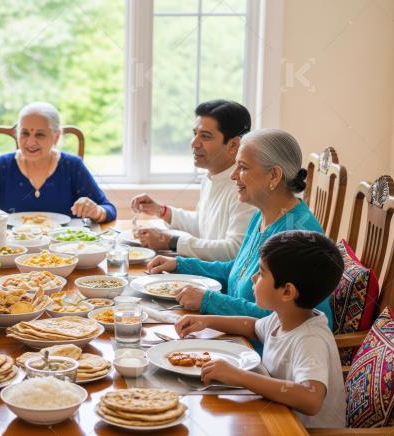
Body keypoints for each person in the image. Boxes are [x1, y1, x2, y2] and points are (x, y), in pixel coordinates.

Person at [147, 128, 334, 327]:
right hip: (240, 336)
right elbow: (237, 269)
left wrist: (209, 300)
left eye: (243, 167)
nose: (234, 176)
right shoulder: (261, 215)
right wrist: (180, 264)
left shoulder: (295, 235)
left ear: (274, 175)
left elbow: (276, 320)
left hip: (274, 351)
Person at [175, 231, 346, 428]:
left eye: (261, 273)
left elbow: (310, 398)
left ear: (287, 291)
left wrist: (239, 376)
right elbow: (252, 327)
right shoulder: (283, 317)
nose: (253, 278)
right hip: (275, 417)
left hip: (299, 431)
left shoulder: (309, 339)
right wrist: (206, 321)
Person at [131, 100, 255, 260]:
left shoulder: (245, 187)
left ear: (233, 145)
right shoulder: (211, 177)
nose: (194, 143)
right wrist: (161, 211)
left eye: (205, 136)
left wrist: (171, 241)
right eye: (195, 133)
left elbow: (234, 250)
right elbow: (204, 225)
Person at [0, 102, 117, 222]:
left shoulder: (72, 166)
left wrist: (96, 211)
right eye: (25, 133)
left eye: (40, 134)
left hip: (64, 251)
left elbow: (109, 209)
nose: (31, 142)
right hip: (11, 249)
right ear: (17, 134)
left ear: (56, 136)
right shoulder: (2, 166)